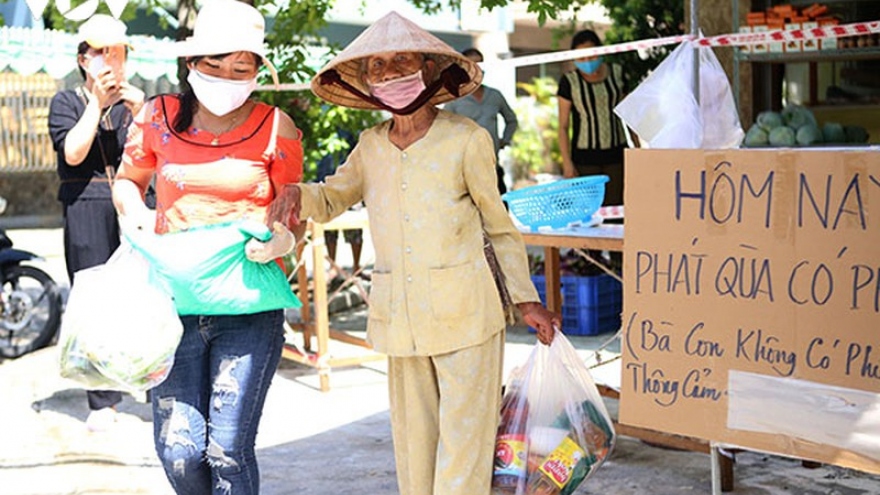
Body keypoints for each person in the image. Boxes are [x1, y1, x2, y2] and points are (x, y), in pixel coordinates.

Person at [268, 12, 561, 495]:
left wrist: (526, 300)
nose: (388, 71)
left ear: (427, 69)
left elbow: (499, 226)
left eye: (401, 60)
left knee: (465, 447)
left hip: (467, 314)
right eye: (377, 65)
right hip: (401, 317)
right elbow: (333, 195)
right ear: (365, 81)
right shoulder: (370, 146)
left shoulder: (467, 140)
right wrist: (298, 194)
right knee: (415, 445)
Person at [111, 1, 303, 493]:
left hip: (248, 306)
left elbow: (290, 214)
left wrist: (283, 239)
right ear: (191, 65)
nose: (226, 76)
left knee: (228, 453)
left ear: (258, 71)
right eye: (213, 64)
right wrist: (135, 220)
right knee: (179, 452)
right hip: (171, 306)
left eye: (241, 67)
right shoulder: (158, 117)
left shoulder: (277, 127)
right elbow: (130, 181)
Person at [48, 14, 145, 433]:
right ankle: (102, 399)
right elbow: (73, 153)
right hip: (86, 204)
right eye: (101, 53)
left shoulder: (136, 104)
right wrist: (96, 104)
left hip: (133, 203)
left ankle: (150, 378)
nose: (111, 61)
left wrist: (140, 112)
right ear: (83, 60)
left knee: (143, 297)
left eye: (118, 52)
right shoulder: (66, 102)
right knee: (93, 301)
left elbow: (153, 155)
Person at [557, 29, 630, 207]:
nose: (587, 62)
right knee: (589, 211)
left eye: (591, 55)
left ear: (600, 52)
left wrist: (637, 152)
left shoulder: (618, 74)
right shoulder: (569, 82)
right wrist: (567, 163)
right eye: (581, 58)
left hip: (617, 155)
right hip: (584, 159)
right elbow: (563, 126)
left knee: (617, 209)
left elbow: (629, 114)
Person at [444, 48, 518, 195]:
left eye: (481, 64)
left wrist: (504, 141)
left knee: (500, 209)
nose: (477, 69)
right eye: (472, 65)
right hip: (465, 170)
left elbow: (511, 120)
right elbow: (443, 129)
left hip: (493, 167)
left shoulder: (495, 95)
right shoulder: (454, 98)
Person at [315, 128, 366, 280]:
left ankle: (356, 267)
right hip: (326, 177)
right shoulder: (321, 126)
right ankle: (333, 267)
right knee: (329, 229)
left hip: (348, 181)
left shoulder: (349, 125)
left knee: (355, 228)